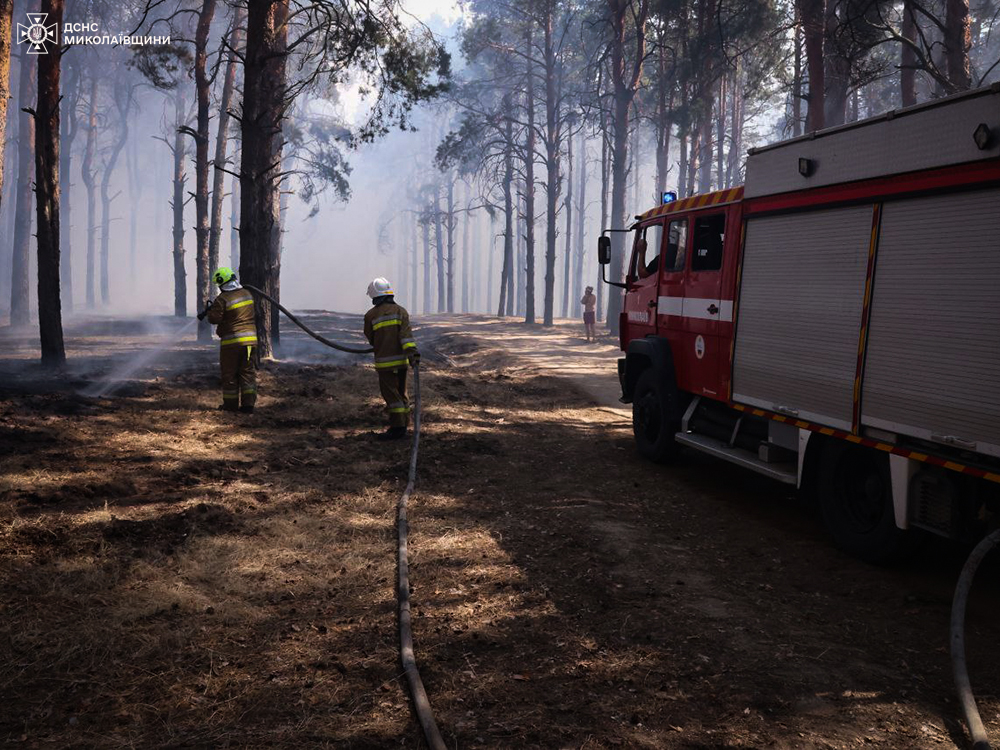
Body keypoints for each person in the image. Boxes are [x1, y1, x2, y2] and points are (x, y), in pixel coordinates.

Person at [363, 277, 419, 441]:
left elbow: (370, 337)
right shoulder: (401, 311)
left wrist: (381, 341)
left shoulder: (370, 315)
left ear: (375, 296)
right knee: (402, 395)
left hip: (385, 364)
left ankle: (397, 429)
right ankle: (404, 425)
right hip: (402, 363)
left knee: (392, 398)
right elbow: (406, 338)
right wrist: (412, 355)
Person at [203, 267, 258, 414]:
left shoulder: (223, 299)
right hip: (250, 342)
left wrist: (212, 310)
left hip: (232, 343)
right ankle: (248, 406)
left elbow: (214, 319)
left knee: (230, 374)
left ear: (222, 283)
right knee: (247, 372)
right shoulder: (247, 294)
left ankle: (231, 406)